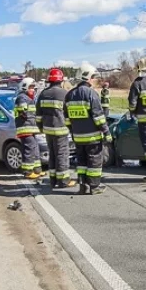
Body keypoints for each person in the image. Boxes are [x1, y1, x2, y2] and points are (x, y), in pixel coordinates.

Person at [64, 65, 111, 195]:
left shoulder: (69, 95)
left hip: (78, 137)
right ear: (89, 78)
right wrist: (106, 132)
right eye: (93, 77)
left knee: (82, 163)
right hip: (93, 137)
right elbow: (99, 117)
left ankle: (83, 186)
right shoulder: (91, 94)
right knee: (94, 162)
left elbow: (66, 119)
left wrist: (73, 131)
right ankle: (95, 187)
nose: (94, 80)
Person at [37, 68, 77, 189]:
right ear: (61, 80)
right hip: (61, 129)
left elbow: (38, 115)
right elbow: (69, 113)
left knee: (53, 154)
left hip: (48, 130)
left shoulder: (43, 94)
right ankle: (63, 180)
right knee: (62, 154)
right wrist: (71, 127)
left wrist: (41, 128)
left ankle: (53, 180)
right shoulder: (64, 94)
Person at [14, 77, 41, 180]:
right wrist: (24, 112)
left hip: (30, 128)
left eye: (34, 87)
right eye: (31, 87)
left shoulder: (29, 99)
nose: (33, 90)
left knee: (35, 148)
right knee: (29, 149)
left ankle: (36, 170)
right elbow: (22, 110)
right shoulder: (22, 97)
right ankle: (27, 172)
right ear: (24, 87)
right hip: (25, 128)